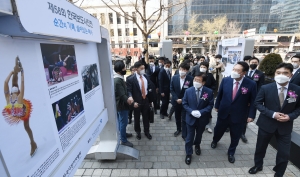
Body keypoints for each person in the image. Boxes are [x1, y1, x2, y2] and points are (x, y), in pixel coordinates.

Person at [249, 63, 300, 177]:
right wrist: (272, 114)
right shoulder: (266, 88)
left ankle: (279, 172)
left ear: (291, 75)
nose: (281, 75)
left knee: (284, 153)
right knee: (260, 147)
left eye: (285, 73)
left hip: (285, 126)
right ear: (275, 74)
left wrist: (290, 116)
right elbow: (257, 103)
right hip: (266, 124)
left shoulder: (297, 89)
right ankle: (258, 165)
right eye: (278, 73)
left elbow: (298, 107)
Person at [212, 61, 257, 163]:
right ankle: (215, 140)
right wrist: (217, 105)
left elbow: (254, 101)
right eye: (234, 69)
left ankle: (231, 152)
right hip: (223, 112)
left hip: (239, 115)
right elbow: (220, 94)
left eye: (238, 70)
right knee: (218, 130)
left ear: (244, 72)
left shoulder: (251, 84)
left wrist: (251, 115)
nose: (234, 71)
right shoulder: (226, 80)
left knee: (235, 135)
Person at [3, 57, 37, 157]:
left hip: (23, 110)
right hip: (17, 109)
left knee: (26, 127)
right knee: (14, 82)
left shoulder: (9, 97)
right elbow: (20, 83)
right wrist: (20, 72)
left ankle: (33, 143)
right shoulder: (15, 97)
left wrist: (13, 72)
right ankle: (16, 70)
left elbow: (6, 83)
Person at [183, 72, 214, 165]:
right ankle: (188, 153)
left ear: (203, 82)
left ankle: (197, 145)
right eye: (195, 80)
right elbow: (184, 103)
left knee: (199, 135)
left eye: (198, 80)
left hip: (202, 119)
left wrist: (201, 112)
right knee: (189, 137)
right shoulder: (188, 91)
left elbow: (210, 105)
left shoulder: (208, 92)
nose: (196, 82)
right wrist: (191, 111)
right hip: (190, 118)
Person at [127, 61, 154, 140]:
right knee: (137, 118)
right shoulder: (130, 79)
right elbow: (129, 90)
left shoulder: (146, 77)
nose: (143, 70)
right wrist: (131, 99)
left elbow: (149, 88)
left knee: (146, 117)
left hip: (145, 101)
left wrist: (151, 101)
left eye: (144, 68)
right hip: (136, 102)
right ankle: (138, 132)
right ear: (136, 69)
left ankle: (147, 131)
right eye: (141, 68)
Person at [240, 57, 265, 143]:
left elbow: (261, 86)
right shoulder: (243, 72)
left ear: (258, 64)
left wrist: (257, 97)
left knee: (245, 115)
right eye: (252, 62)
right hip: (240, 96)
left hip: (251, 98)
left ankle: (242, 133)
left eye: (255, 62)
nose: (253, 63)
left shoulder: (260, 74)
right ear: (249, 62)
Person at [170, 62, 193, 140]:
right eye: (180, 69)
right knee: (177, 117)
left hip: (185, 102)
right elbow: (171, 89)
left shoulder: (190, 79)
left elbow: (191, 91)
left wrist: (182, 99)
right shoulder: (174, 77)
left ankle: (184, 133)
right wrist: (176, 99)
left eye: (183, 69)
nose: (181, 71)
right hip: (176, 102)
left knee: (184, 118)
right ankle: (178, 129)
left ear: (187, 71)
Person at [113, 61, 134, 147]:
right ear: (119, 70)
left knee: (121, 121)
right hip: (121, 105)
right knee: (123, 122)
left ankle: (123, 134)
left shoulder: (119, 77)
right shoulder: (117, 80)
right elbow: (122, 94)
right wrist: (129, 100)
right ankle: (123, 140)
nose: (125, 69)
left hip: (121, 104)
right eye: (124, 68)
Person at [198, 61, 217, 133]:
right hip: (198, 95)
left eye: (204, 67)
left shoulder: (210, 75)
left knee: (208, 111)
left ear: (207, 68)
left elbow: (214, 84)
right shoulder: (197, 74)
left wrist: (211, 91)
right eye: (201, 67)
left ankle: (208, 126)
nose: (202, 68)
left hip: (207, 95)